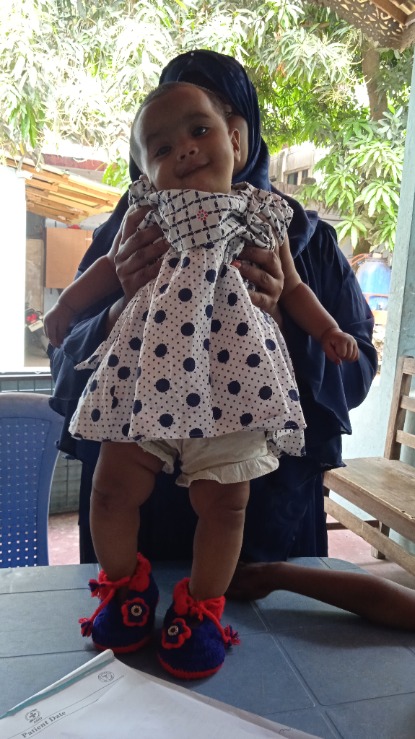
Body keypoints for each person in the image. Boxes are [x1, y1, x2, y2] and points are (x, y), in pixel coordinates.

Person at [50, 81, 359, 679]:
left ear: (237, 140)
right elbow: (108, 271)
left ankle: (201, 610)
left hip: (233, 394)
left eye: (199, 130)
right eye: (161, 148)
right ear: (143, 172)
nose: (185, 150)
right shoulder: (144, 214)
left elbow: (295, 288)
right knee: (109, 491)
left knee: (226, 507)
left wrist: (325, 331)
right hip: (145, 386)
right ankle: (124, 588)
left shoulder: (266, 216)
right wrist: (67, 306)